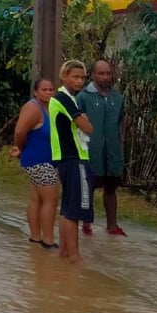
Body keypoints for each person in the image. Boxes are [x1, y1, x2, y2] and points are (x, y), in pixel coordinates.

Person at [49, 60, 94, 265]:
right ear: (64, 77)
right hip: (74, 159)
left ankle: (65, 254)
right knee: (74, 211)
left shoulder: (68, 99)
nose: (80, 81)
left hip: (67, 159)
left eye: (83, 77)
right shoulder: (62, 98)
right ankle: (75, 258)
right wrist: (84, 119)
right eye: (75, 77)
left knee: (68, 208)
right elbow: (87, 127)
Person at [79, 60, 127, 236]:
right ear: (92, 75)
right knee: (89, 187)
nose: (105, 77)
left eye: (108, 73)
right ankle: (86, 224)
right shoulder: (83, 97)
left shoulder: (118, 98)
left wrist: (120, 146)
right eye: (101, 73)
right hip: (91, 149)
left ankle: (112, 225)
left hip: (112, 151)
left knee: (111, 188)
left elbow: (122, 123)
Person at [12, 79, 60, 249]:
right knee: (51, 200)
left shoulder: (51, 108)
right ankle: (47, 240)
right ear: (35, 92)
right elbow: (19, 132)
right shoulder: (33, 107)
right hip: (37, 161)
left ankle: (35, 238)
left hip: (47, 159)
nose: (48, 92)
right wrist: (22, 149)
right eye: (44, 89)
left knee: (36, 199)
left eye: (51, 89)